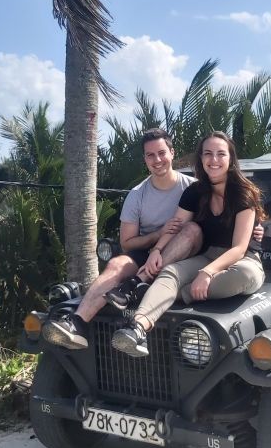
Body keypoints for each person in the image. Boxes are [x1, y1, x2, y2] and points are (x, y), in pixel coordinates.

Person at [42, 128, 200, 350]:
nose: (157, 160)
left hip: (184, 253)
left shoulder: (193, 187)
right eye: (150, 155)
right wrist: (158, 235)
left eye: (162, 153)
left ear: (172, 153)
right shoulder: (137, 195)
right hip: (146, 251)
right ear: (144, 159)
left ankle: (135, 284)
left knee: (190, 232)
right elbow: (128, 243)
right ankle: (77, 323)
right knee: (116, 263)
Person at [112, 131, 266, 358]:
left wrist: (207, 273)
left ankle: (174, 293)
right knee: (170, 272)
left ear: (230, 159)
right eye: (208, 154)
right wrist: (156, 250)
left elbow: (239, 248)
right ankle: (137, 327)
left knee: (244, 276)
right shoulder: (194, 191)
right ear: (201, 159)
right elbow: (176, 226)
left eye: (220, 154)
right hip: (207, 254)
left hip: (242, 260)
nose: (214, 160)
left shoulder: (243, 193)